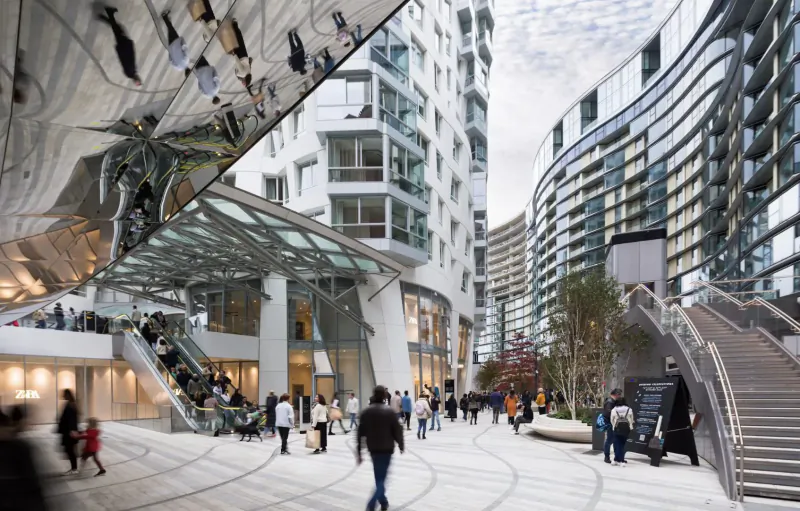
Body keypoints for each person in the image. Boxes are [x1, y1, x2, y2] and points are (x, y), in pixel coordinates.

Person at [356, 385, 404, 511]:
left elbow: (360, 433)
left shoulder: (366, 412)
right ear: (384, 395)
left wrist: (359, 452)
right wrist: (401, 445)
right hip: (387, 449)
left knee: (379, 477)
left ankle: (383, 502)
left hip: (373, 449)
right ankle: (371, 505)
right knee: (382, 479)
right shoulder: (389, 412)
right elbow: (397, 431)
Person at [97, 6, 141, 85]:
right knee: (117, 29)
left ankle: (108, 14)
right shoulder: (132, 72)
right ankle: (108, 15)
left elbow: (126, 58)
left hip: (123, 45)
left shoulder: (130, 72)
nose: (139, 78)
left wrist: (126, 45)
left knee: (118, 29)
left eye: (138, 80)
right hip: (124, 45)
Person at [57, 389, 79, 475]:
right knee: (70, 450)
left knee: (70, 450)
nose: (62, 395)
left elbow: (72, 419)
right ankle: (73, 468)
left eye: (64, 394)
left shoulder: (71, 405)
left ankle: (74, 469)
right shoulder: (70, 404)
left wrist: (72, 430)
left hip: (69, 432)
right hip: (68, 431)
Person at [228, 19, 252, 86]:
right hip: (240, 56)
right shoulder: (242, 74)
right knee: (235, 41)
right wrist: (234, 54)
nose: (242, 83)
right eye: (244, 83)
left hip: (245, 56)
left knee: (240, 40)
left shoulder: (249, 74)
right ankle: (231, 28)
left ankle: (235, 25)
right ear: (245, 81)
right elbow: (238, 64)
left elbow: (249, 65)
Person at [610, 397, 634, 466]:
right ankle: (619, 460)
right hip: (626, 429)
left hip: (617, 429)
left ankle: (619, 460)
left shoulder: (614, 410)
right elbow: (632, 420)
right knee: (622, 444)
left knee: (617, 444)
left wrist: (614, 425)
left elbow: (611, 420)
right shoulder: (629, 409)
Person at [603, 388, 622, 464]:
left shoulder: (614, 402)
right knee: (609, 440)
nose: (619, 396)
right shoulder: (609, 402)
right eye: (618, 394)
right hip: (611, 424)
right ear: (615, 394)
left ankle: (616, 457)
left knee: (615, 441)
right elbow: (608, 414)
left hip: (614, 424)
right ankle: (606, 456)